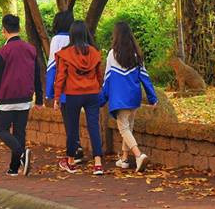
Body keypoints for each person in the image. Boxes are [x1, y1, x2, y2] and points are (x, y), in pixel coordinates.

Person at [0, 14, 43, 177]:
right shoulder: (31, 49)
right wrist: (39, 99)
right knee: (19, 132)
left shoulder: (4, 51)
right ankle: (13, 167)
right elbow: (36, 75)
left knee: (1, 129)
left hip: (7, 98)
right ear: (19, 29)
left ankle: (21, 152)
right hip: (25, 99)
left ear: (4, 30)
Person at [99, 21, 158, 173]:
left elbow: (107, 80)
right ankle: (124, 159)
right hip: (133, 98)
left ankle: (138, 155)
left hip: (119, 99)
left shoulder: (112, 54)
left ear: (116, 36)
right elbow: (145, 78)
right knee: (129, 127)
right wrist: (153, 98)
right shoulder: (137, 54)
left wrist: (100, 100)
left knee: (124, 128)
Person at [54, 21, 104, 175]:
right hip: (92, 94)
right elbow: (99, 75)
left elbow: (60, 77)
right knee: (94, 126)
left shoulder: (65, 53)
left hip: (73, 94)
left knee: (72, 128)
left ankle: (70, 161)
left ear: (72, 34)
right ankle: (98, 164)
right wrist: (98, 88)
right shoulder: (94, 52)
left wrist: (57, 97)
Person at [46, 11, 73, 103]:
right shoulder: (76, 37)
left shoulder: (56, 39)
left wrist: (49, 91)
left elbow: (52, 65)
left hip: (63, 85)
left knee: (67, 115)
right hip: (79, 86)